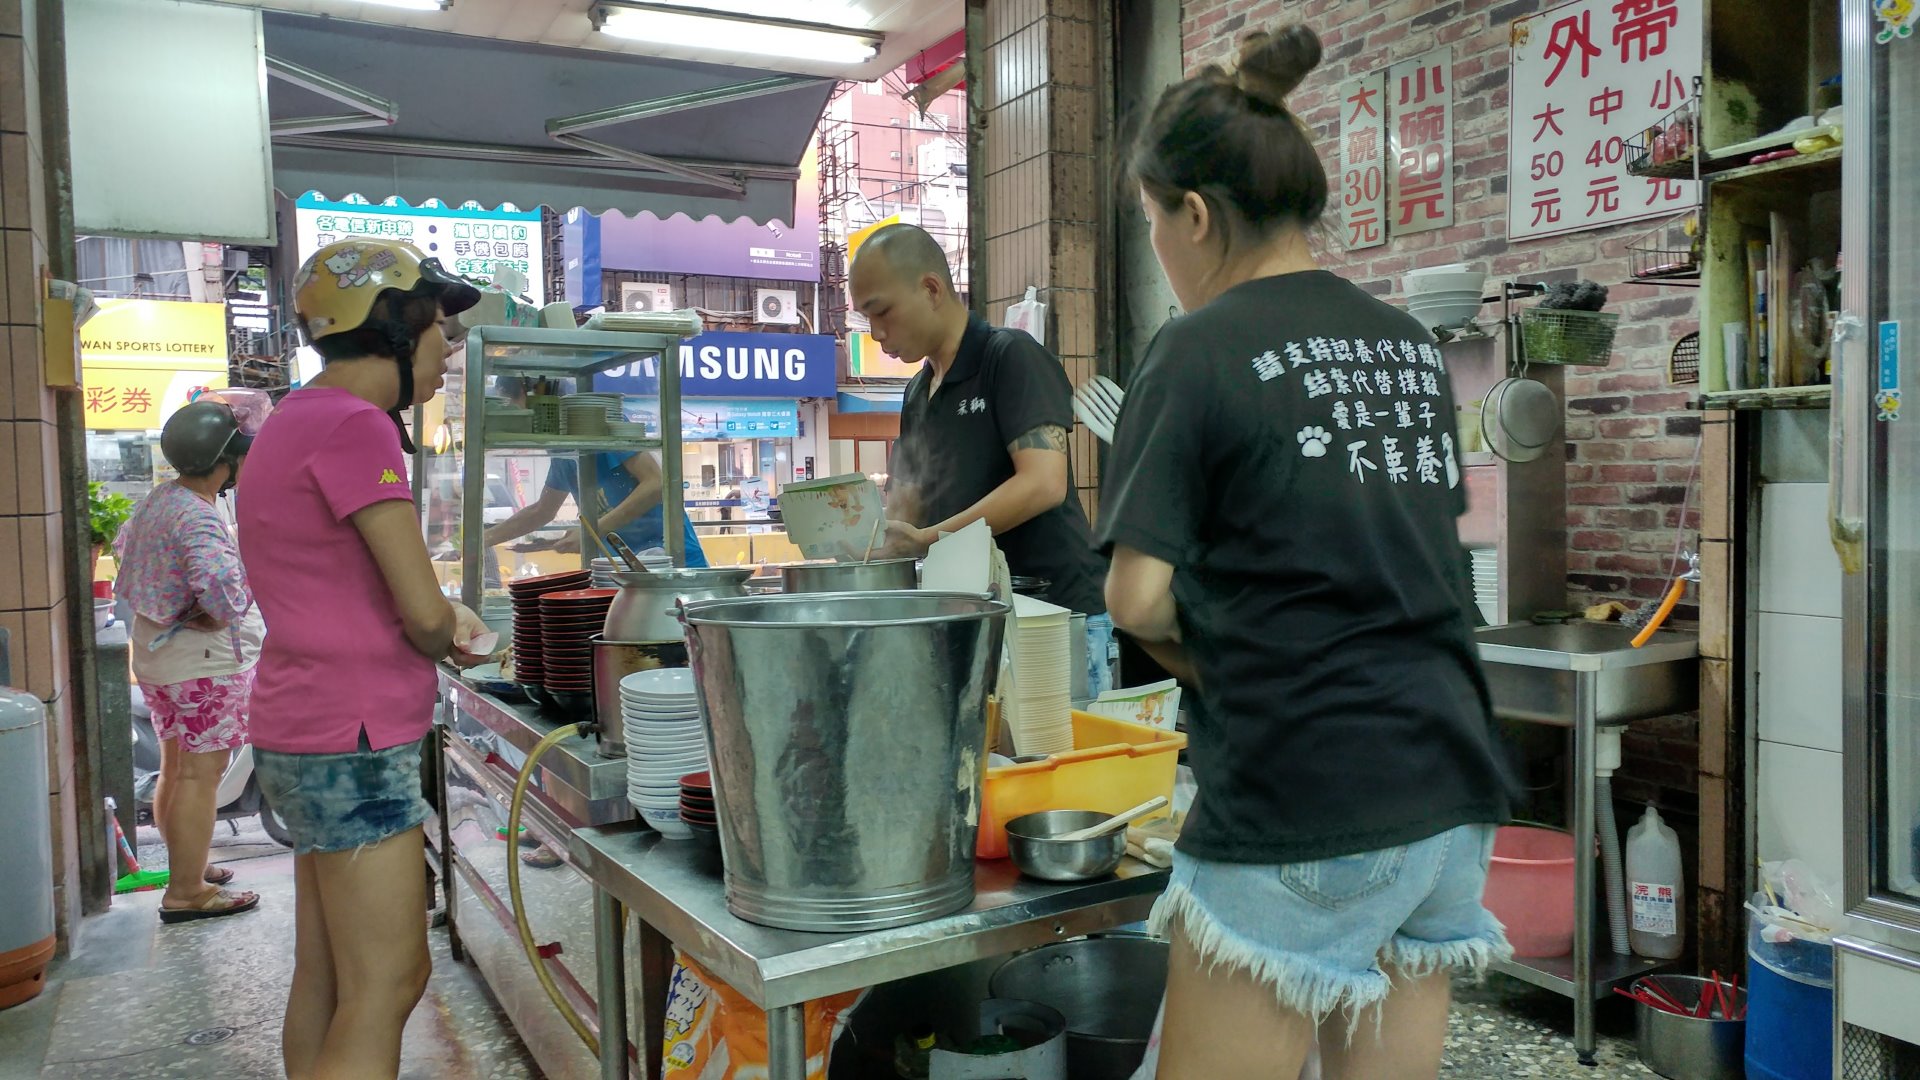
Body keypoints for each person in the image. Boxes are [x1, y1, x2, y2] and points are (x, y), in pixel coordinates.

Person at [1097, 27, 1518, 1080]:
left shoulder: (1193, 350)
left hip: (1303, 797)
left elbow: (1138, 600)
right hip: (1449, 783)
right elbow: (1409, 560)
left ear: (1194, 216)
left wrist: (1232, 657)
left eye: (1153, 224)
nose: (1160, 248)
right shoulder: (1411, 348)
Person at [238, 237, 493, 1080]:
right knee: (389, 980)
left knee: (330, 977)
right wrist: (453, 622)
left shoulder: (291, 420)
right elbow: (419, 612)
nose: (445, 353)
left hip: (299, 727)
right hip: (352, 738)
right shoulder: (357, 427)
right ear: (392, 329)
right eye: (438, 333)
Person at [849, 222, 1116, 694]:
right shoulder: (917, 393)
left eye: (882, 312)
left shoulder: (1009, 357)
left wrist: (929, 539)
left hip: (1051, 616)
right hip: (976, 618)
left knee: (1049, 759)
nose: (876, 334)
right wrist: (866, 541)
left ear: (931, 288)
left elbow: (1044, 482)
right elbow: (905, 502)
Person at [112, 392, 272, 924]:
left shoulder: (161, 499)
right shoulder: (199, 518)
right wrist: (218, 601)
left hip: (161, 659)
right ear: (223, 461)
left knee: (176, 768)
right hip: (201, 665)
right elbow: (226, 597)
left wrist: (177, 603)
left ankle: (191, 868)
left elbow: (123, 551)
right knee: (201, 776)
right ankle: (186, 891)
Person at [482, 375, 709, 568]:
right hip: (621, 566)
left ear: (531, 394)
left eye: (510, 405)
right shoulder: (561, 445)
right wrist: (482, 540)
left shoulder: (601, 424)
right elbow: (542, 511)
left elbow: (656, 484)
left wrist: (591, 532)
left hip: (673, 560)